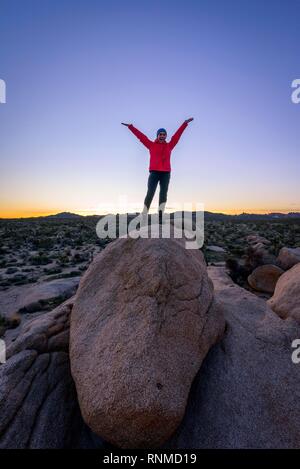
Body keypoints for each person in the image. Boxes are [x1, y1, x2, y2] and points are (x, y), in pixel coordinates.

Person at [122, 118, 193, 224]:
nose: (162, 136)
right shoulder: (151, 145)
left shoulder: (170, 146)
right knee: (150, 193)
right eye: (160, 134)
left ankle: (160, 217)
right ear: (157, 135)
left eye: (164, 134)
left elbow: (177, 136)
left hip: (166, 173)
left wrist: (184, 124)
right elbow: (141, 137)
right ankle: (144, 215)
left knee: (163, 195)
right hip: (154, 173)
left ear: (166, 136)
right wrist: (131, 127)